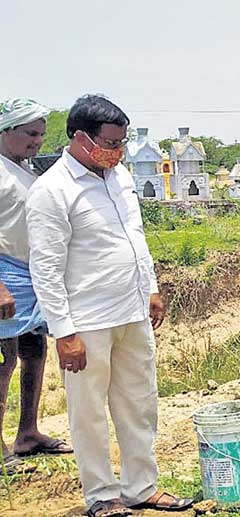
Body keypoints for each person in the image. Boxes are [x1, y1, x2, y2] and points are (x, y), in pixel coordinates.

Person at [26, 95, 192, 517]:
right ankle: (103, 495)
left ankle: (141, 487)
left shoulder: (118, 177)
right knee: (88, 413)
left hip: (132, 311)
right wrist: (63, 332)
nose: (118, 153)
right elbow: (45, 268)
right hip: (87, 321)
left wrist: (151, 289)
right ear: (80, 138)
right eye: (111, 143)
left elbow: (134, 237)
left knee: (139, 402)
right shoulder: (52, 191)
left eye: (121, 144)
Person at [0, 98, 74, 475]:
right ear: (7, 130)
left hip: (31, 275)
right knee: (3, 359)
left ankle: (27, 432)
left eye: (42, 134)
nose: (37, 141)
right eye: (30, 133)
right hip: (5, 276)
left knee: (33, 350)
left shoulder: (24, 169)